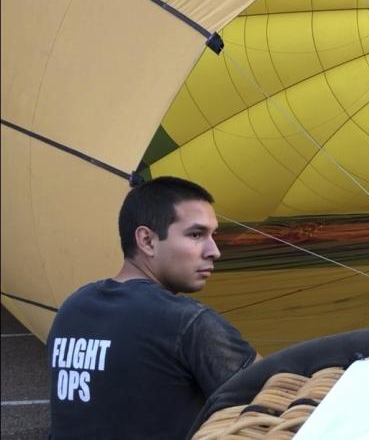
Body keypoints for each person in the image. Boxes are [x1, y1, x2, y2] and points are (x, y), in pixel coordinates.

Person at [48, 176, 260, 439]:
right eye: (196, 234)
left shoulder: (72, 308)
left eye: (212, 235)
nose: (214, 250)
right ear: (147, 240)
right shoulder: (186, 322)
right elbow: (274, 400)